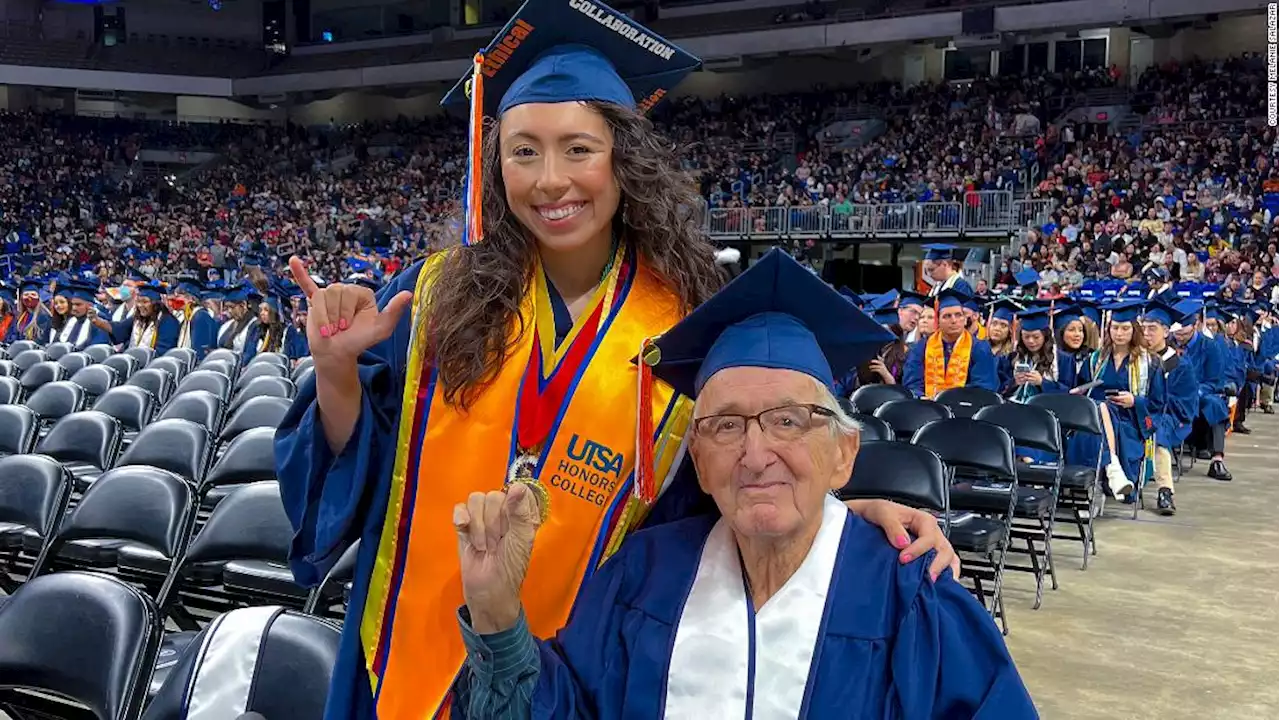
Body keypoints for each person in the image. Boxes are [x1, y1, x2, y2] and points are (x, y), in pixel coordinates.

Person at [273, 6, 960, 719]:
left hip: (580, 673)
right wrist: (335, 374)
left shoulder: (685, 324)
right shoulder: (431, 297)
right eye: (523, 151)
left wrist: (835, 515)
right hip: (401, 663)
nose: (549, 181)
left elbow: (721, 489)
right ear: (493, 162)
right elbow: (354, 482)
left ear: (624, 159)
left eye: (578, 149)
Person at [452, 249, 1037, 719]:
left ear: (843, 453)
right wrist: (497, 614)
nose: (756, 455)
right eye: (726, 425)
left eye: (788, 420)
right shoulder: (646, 576)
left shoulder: (914, 596)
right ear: (700, 464)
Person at [1076, 299, 1166, 500]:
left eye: (1125, 328)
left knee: (1100, 413)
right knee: (1099, 409)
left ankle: (1093, 486)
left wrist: (1135, 401)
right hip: (1093, 423)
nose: (1119, 333)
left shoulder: (1150, 363)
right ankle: (1112, 469)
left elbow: (1157, 405)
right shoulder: (1095, 360)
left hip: (1130, 422)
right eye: (1115, 328)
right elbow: (1082, 390)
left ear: (1134, 330)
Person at [1142, 301, 1197, 516]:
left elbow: (1185, 403)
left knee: (1157, 431)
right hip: (1140, 411)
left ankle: (1165, 490)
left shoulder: (1178, 364)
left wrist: (1157, 400)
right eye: (1143, 328)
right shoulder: (1137, 359)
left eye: (1152, 329)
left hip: (1170, 417)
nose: (1146, 334)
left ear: (1166, 331)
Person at [1172, 300, 1233, 482]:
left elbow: (1215, 381)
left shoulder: (1210, 346)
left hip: (1200, 396)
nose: (1179, 335)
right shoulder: (1168, 345)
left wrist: (1194, 391)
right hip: (1173, 396)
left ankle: (1217, 460)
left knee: (1215, 404)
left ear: (1196, 325)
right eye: (1176, 331)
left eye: (1183, 330)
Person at [902, 288, 999, 397]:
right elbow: (912, 384)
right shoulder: (920, 348)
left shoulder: (980, 348)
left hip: (967, 408)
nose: (954, 320)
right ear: (937, 321)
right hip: (928, 408)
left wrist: (949, 397)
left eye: (958, 315)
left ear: (965, 319)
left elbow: (984, 386)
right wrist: (922, 397)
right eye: (947, 316)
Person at [88, 280, 180, 356]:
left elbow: (163, 352)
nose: (140, 305)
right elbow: (120, 328)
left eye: (145, 302)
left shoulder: (168, 322)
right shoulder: (138, 319)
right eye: (138, 301)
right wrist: (98, 321)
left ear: (156, 304)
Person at [51, 280, 112, 349]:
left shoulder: (99, 322)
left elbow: (98, 349)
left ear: (90, 305)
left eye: (78, 305)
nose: (74, 308)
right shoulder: (71, 320)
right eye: (73, 304)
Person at [172, 277, 220, 361]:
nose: (175, 299)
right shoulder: (187, 317)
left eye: (179, 296)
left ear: (192, 299)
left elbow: (200, 352)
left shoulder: (201, 317)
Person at [218, 283, 259, 352]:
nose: (229, 311)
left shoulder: (255, 325)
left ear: (243, 305)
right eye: (227, 307)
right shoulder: (226, 325)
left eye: (232, 307)